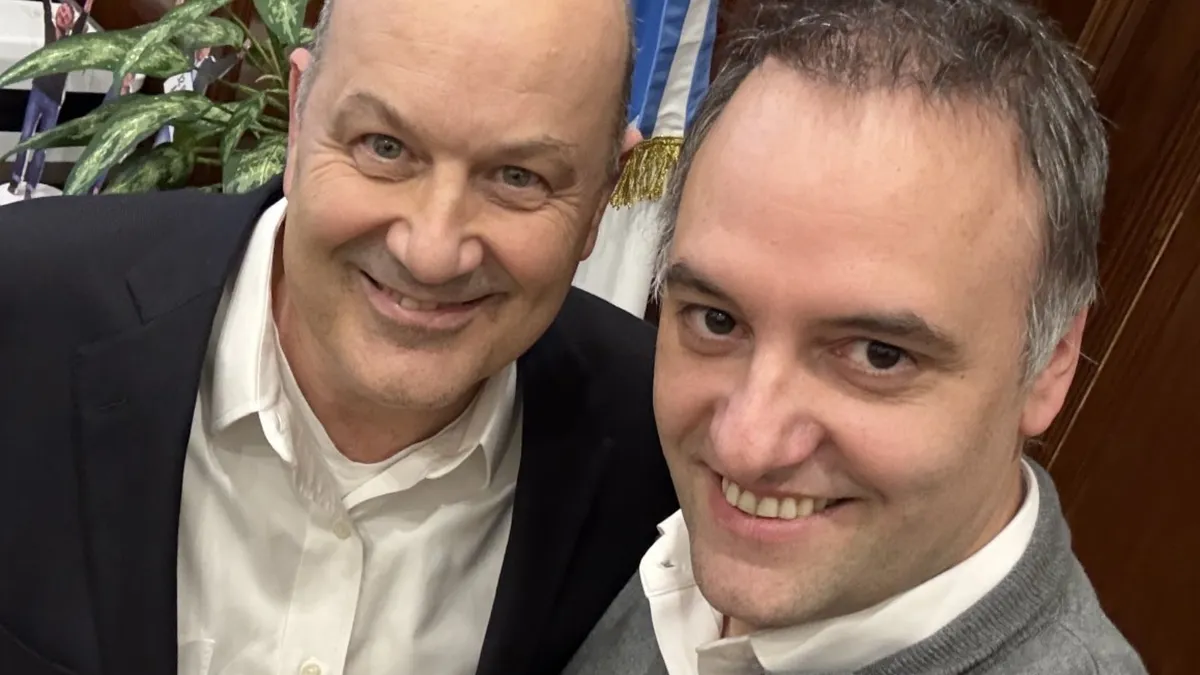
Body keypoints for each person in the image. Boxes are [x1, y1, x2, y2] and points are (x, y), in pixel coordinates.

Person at [0, 1, 676, 675]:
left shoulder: (664, 447)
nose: (431, 253)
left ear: (602, 195)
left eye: (518, 178)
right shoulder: (22, 316)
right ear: (300, 117)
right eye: (384, 147)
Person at [564, 1, 1148, 674]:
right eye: (716, 320)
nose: (745, 445)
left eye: (879, 355)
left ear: (1050, 362)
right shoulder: (619, 507)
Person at [7, 0, 94, 199]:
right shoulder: (49, 29)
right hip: (38, 92)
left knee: (41, 146)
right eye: (61, 12)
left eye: (66, 14)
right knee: (25, 137)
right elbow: (46, 6)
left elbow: (81, 22)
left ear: (70, 22)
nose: (62, 15)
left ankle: (31, 186)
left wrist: (87, 7)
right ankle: (15, 178)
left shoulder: (70, 43)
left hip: (53, 102)